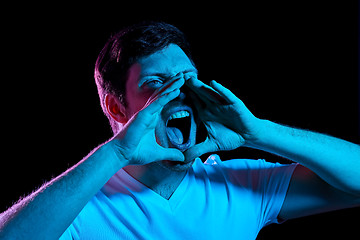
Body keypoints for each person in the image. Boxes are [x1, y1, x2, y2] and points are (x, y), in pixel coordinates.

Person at [0, 21, 359, 240]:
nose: (178, 94)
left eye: (187, 80)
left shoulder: (242, 185)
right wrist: (119, 151)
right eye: (156, 84)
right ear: (115, 107)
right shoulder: (80, 204)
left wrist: (258, 133)